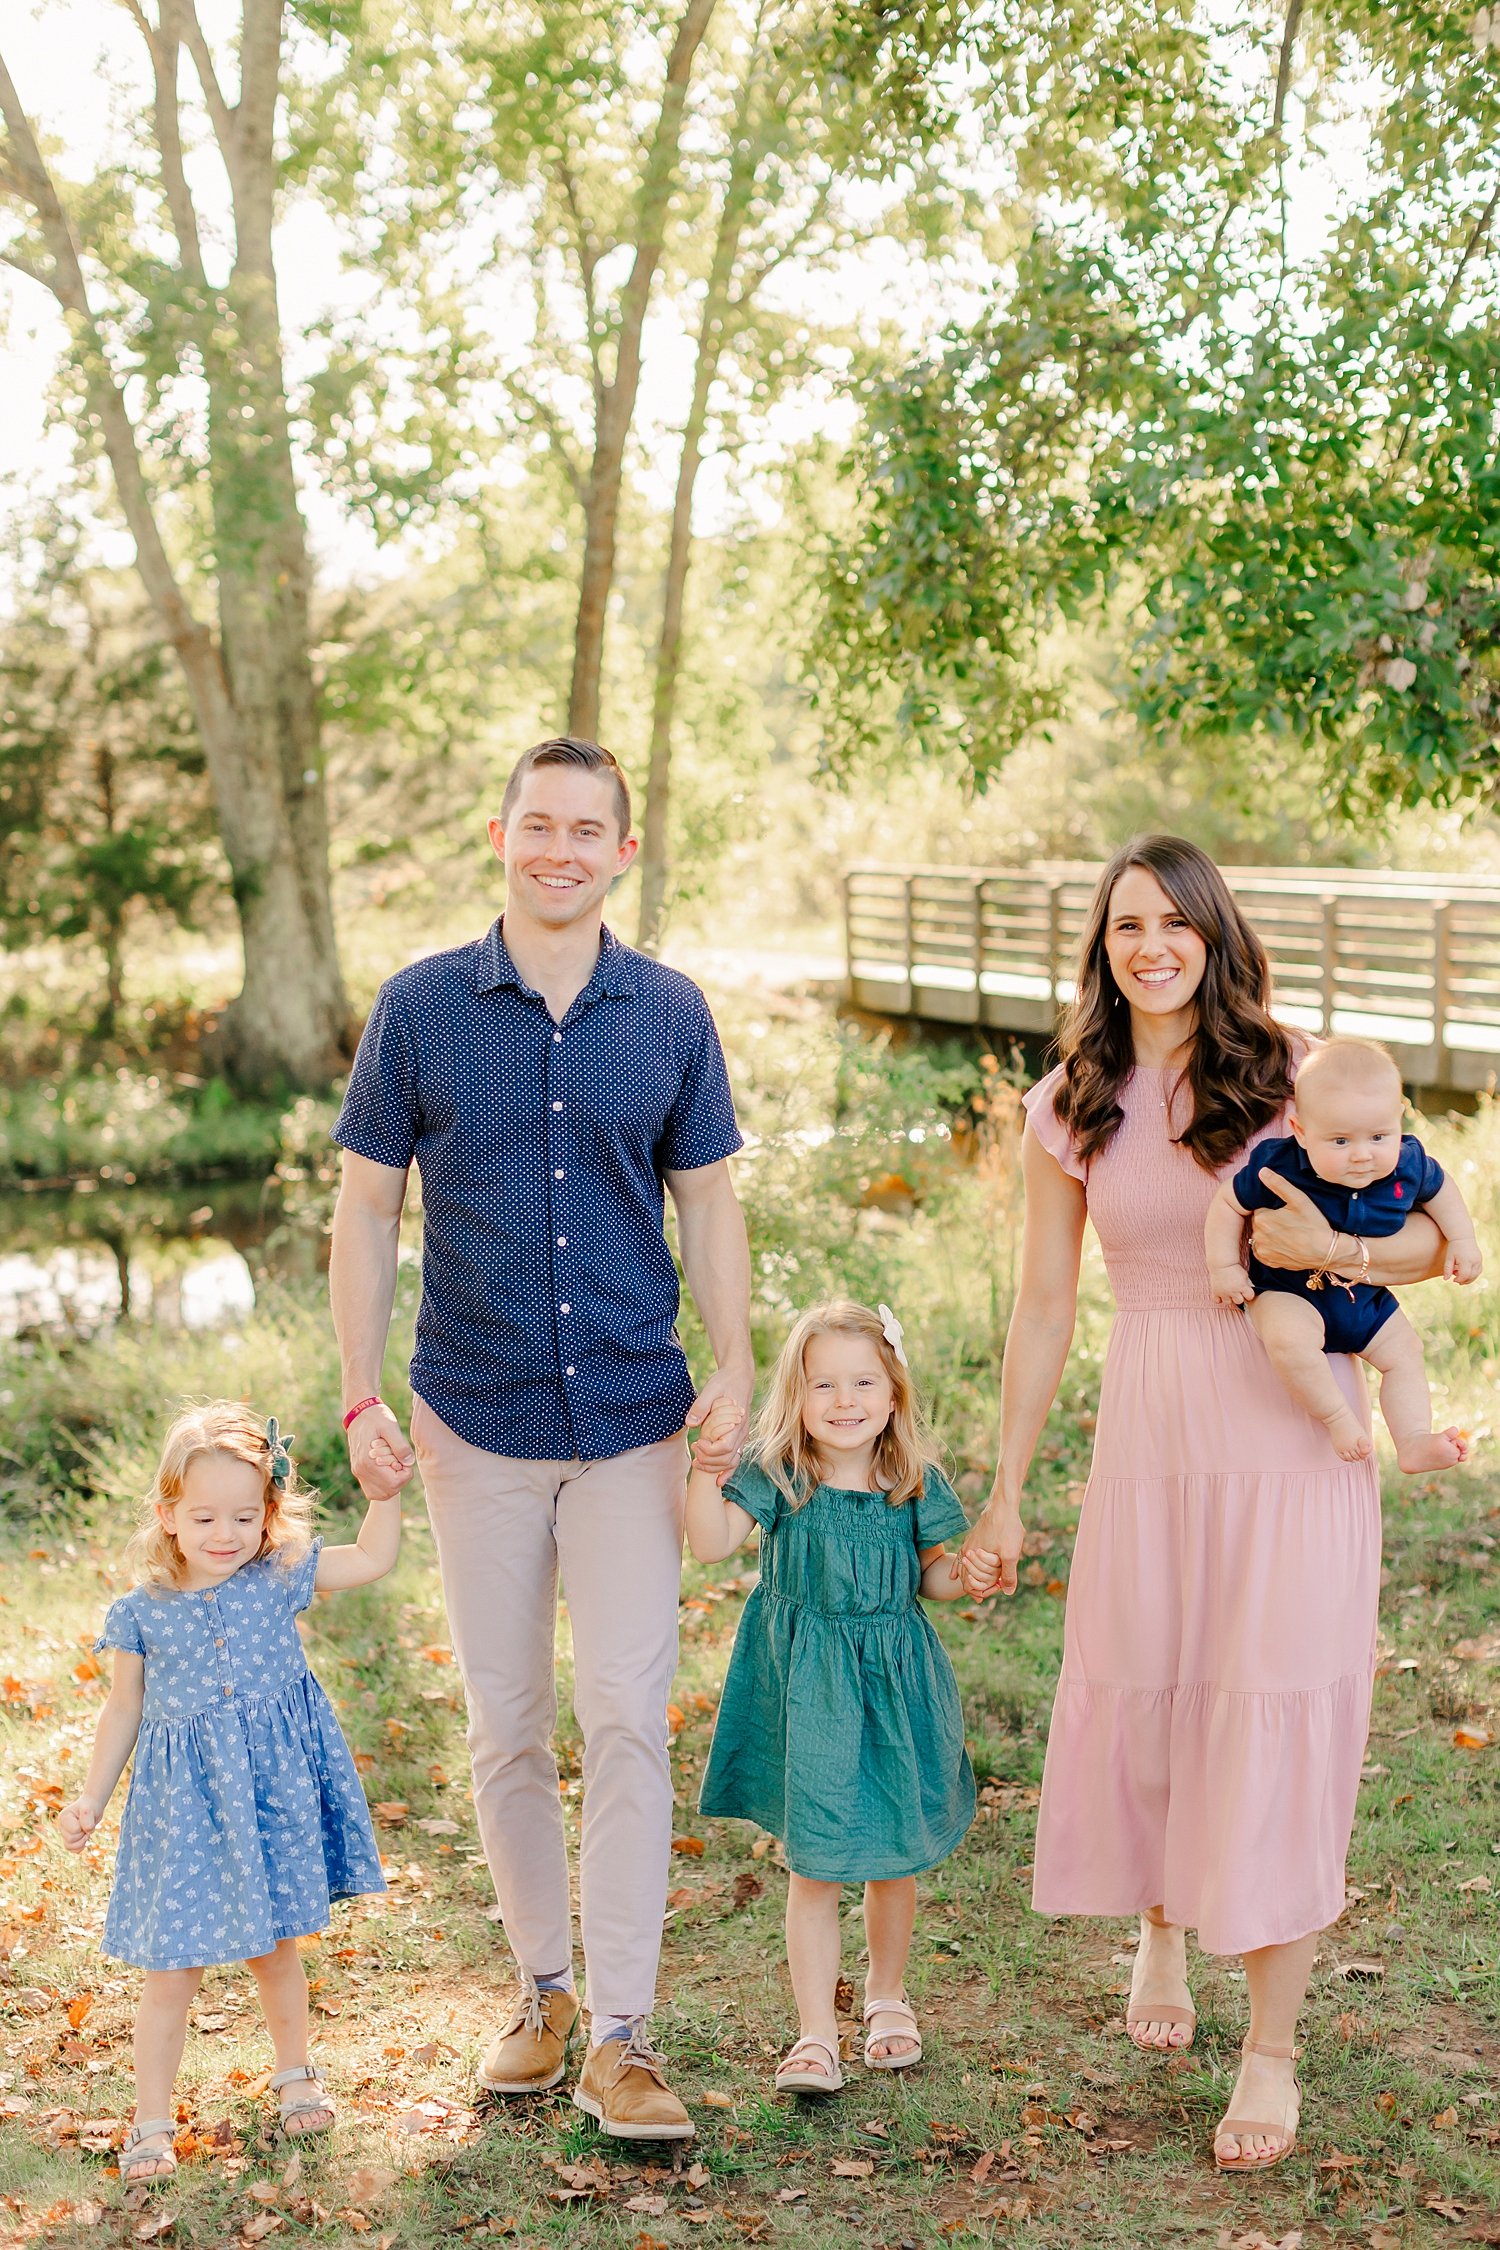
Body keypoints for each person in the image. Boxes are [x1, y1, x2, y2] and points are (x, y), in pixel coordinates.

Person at [959, 835, 1449, 2173]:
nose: (1153, 943)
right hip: (1152, 1419)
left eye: (1178, 921)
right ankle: (1161, 1923)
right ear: (1102, 945)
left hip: (1297, 1421)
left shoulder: (1299, 1076)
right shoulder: (1071, 1099)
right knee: (1162, 1684)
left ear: (1217, 935)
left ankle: (1273, 2044)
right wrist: (1005, 1489)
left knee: (1275, 1699)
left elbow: (1442, 1240)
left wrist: (1332, 1248)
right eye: (1128, 924)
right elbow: (1045, 1303)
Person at [329, 735, 751, 2143]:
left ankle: (626, 2034)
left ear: (624, 850)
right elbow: (366, 1210)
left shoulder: (671, 1012)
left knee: (628, 1717)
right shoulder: (420, 1009)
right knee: (507, 1725)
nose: (561, 848)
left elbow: (710, 1202)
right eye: (539, 825)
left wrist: (738, 1357)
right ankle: (545, 1991)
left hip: (636, 1417)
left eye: (590, 829)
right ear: (499, 837)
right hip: (476, 1415)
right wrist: (358, 1388)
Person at [58, 1403, 397, 2186]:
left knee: (275, 1948)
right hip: (186, 1811)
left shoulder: (277, 1580)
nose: (225, 1533)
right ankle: (150, 2120)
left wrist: (386, 1493)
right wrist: (91, 1800)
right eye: (204, 1515)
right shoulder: (142, 1614)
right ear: (168, 1515)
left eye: (245, 1515)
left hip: (270, 1800)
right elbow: (123, 1710)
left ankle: (295, 2072)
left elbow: (373, 1559)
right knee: (170, 1970)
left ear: (268, 1514)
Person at [688, 1299, 974, 2094]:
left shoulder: (911, 1479)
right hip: (806, 1691)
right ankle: (816, 2032)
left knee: (892, 1853)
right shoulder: (778, 1475)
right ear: (796, 1396)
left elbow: (934, 1579)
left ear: (892, 1394)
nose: (844, 1401)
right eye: (824, 1385)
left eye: (862, 1382)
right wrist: (706, 1471)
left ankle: (886, 1996)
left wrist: (971, 1573)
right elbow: (709, 1544)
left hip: (892, 1686)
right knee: (812, 1862)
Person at [1206, 1037, 1481, 1469]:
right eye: (1339, 1141)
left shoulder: (1407, 1164)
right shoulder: (1280, 1166)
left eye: (1377, 1136)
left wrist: (1462, 1240)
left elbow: (1442, 1188)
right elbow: (1227, 1204)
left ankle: (1411, 1440)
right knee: (1289, 1340)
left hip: (1364, 1298)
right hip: (1290, 1292)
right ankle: (1337, 1418)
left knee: (1404, 1353)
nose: (1361, 1155)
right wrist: (1223, 1266)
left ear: (1399, 1120)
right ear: (1301, 1131)